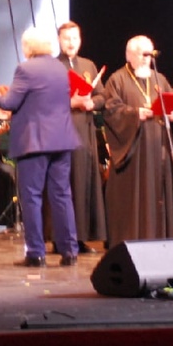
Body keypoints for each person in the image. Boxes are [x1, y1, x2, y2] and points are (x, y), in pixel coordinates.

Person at [0, 27, 80, 266]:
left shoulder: (25, 69)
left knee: (32, 197)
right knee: (62, 196)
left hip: (35, 142)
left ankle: (36, 253)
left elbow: (10, 102)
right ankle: (70, 251)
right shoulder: (61, 68)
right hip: (61, 140)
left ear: (28, 46)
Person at [101, 36, 173, 245]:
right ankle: (129, 237)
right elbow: (110, 110)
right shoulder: (117, 80)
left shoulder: (159, 79)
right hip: (132, 148)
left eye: (150, 55)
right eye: (142, 55)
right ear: (129, 55)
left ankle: (157, 236)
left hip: (156, 145)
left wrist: (172, 114)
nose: (147, 59)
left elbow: (171, 102)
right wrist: (136, 114)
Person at [56, 21, 106, 253]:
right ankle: (60, 238)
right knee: (63, 186)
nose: (71, 43)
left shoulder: (88, 65)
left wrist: (91, 102)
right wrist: (70, 102)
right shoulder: (53, 66)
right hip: (59, 133)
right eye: (66, 38)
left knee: (83, 184)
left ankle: (81, 237)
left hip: (85, 133)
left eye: (74, 38)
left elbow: (102, 96)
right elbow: (43, 101)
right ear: (59, 40)